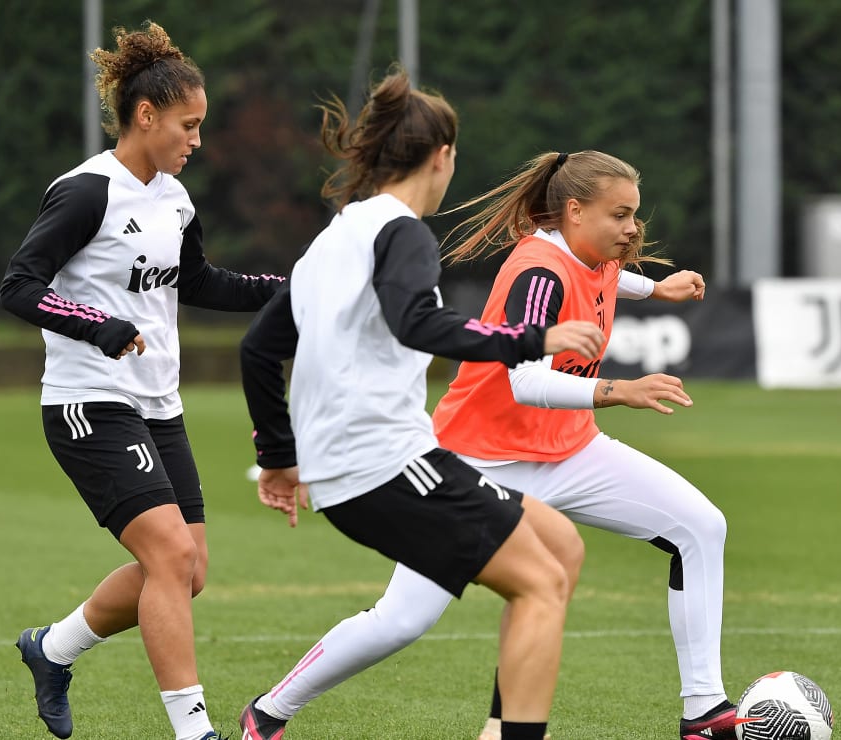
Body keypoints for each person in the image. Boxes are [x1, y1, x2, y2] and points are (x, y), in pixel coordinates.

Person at [249, 150, 738, 740]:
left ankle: (704, 712)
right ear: (575, 212)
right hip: (479, 459)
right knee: (402, 620)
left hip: (571, 451)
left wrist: (656, 289)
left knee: (701, 527)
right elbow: (525, 380)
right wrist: (615, 391)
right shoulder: (539, 273)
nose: (632, 229)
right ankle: (271, 710)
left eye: (633, 214)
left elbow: (607, 277)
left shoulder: (598, 252)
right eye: (620, 215)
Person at [236, 68, 606, 740]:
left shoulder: (334, 238)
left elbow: (259, 350)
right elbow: (417, 324)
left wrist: (280, 459)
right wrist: (535, 337)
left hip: (360, 467)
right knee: (541, 585)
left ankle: (497, 728)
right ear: (441, 157)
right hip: (384, 465)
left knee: (562, 547)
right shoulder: (402, 232)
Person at [0, 21, 284, 740]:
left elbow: (199, 281)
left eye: (202, 127)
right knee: (170, 554)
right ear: (146, 115)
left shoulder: (175, 199)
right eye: (188, 125)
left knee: (189, 572)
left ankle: (52, 648)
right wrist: (97, 327)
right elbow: (18, 285)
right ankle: (195, 733)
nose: (196, 140)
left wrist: (290, 288)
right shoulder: (86, 192)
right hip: (87, 402)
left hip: (160, 404)